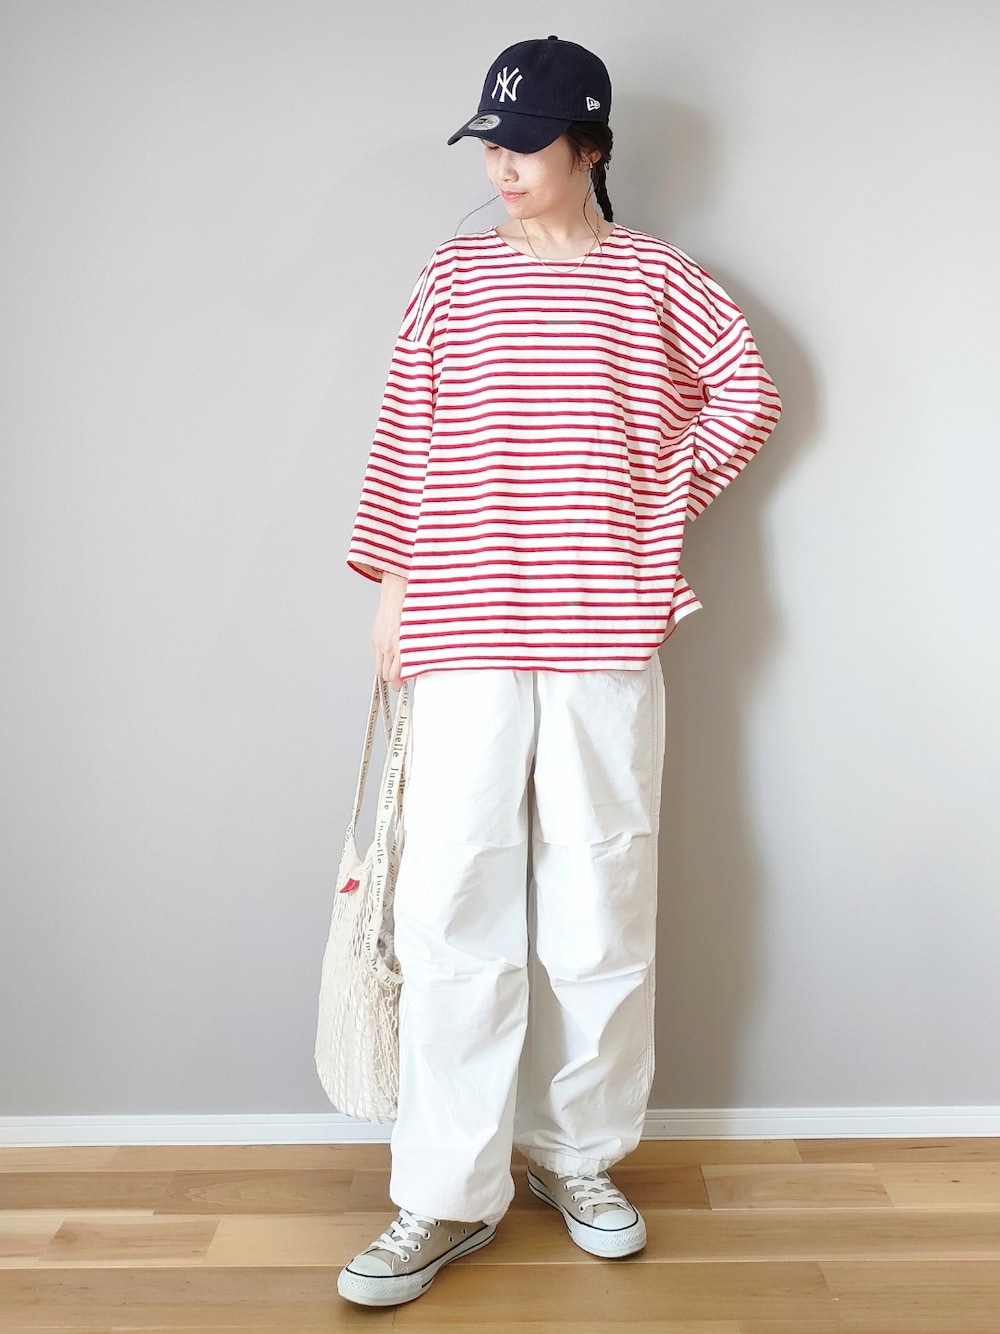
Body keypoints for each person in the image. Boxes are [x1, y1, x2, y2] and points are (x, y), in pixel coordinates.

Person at [337, 35, 781, 1308]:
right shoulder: (453, 275)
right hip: (463, 618)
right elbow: (407, 431)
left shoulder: (655, 278)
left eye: (525, 143)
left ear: (589, 146)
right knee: (452, 904)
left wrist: (655, 507)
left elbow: (746, 393)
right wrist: (392, 588)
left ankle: (576, 1155)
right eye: (490, 141)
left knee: (601, 898)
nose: (501, 165)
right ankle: (445, 1189)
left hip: (603, 626)